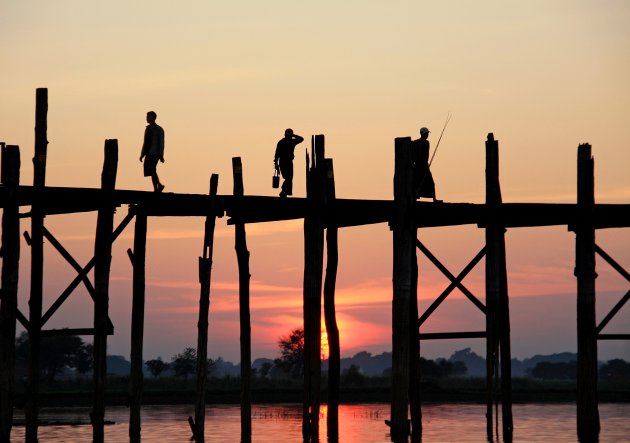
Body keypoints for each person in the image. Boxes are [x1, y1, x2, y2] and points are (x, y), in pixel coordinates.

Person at [413, 126, 441, 202]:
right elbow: (426, 155)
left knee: (417, 182)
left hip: (416, 166)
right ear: (425, 134)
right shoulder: (426, 143)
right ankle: (434, 199)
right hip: (423, 166)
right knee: (431, 183)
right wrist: (426, 165)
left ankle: (414, 197)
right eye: (427, 133)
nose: (428, 135)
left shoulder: (414, 142)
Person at [139, 111, 165, 192]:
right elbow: (145, 142)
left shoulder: (159, 129)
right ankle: (156, 188)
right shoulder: (147, 129)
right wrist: (142, 154)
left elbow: (161, 143)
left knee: (152, 169)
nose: (147, 118)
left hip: (155, 153)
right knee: (150, 171)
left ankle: (159, 185)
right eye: (147, 117)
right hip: (148, 153)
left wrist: (161, 155)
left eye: (148, 117)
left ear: (153, 118)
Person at [274, 128, 304, 197]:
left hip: (285, 162)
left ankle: (284, 192)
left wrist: (276, 163)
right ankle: (284, 191)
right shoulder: (288, 141)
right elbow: (277, 153)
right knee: (288, 177)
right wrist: (276, 163)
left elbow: (301, 139)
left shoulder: (287, 141)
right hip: (285, 162)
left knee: (288, 177)